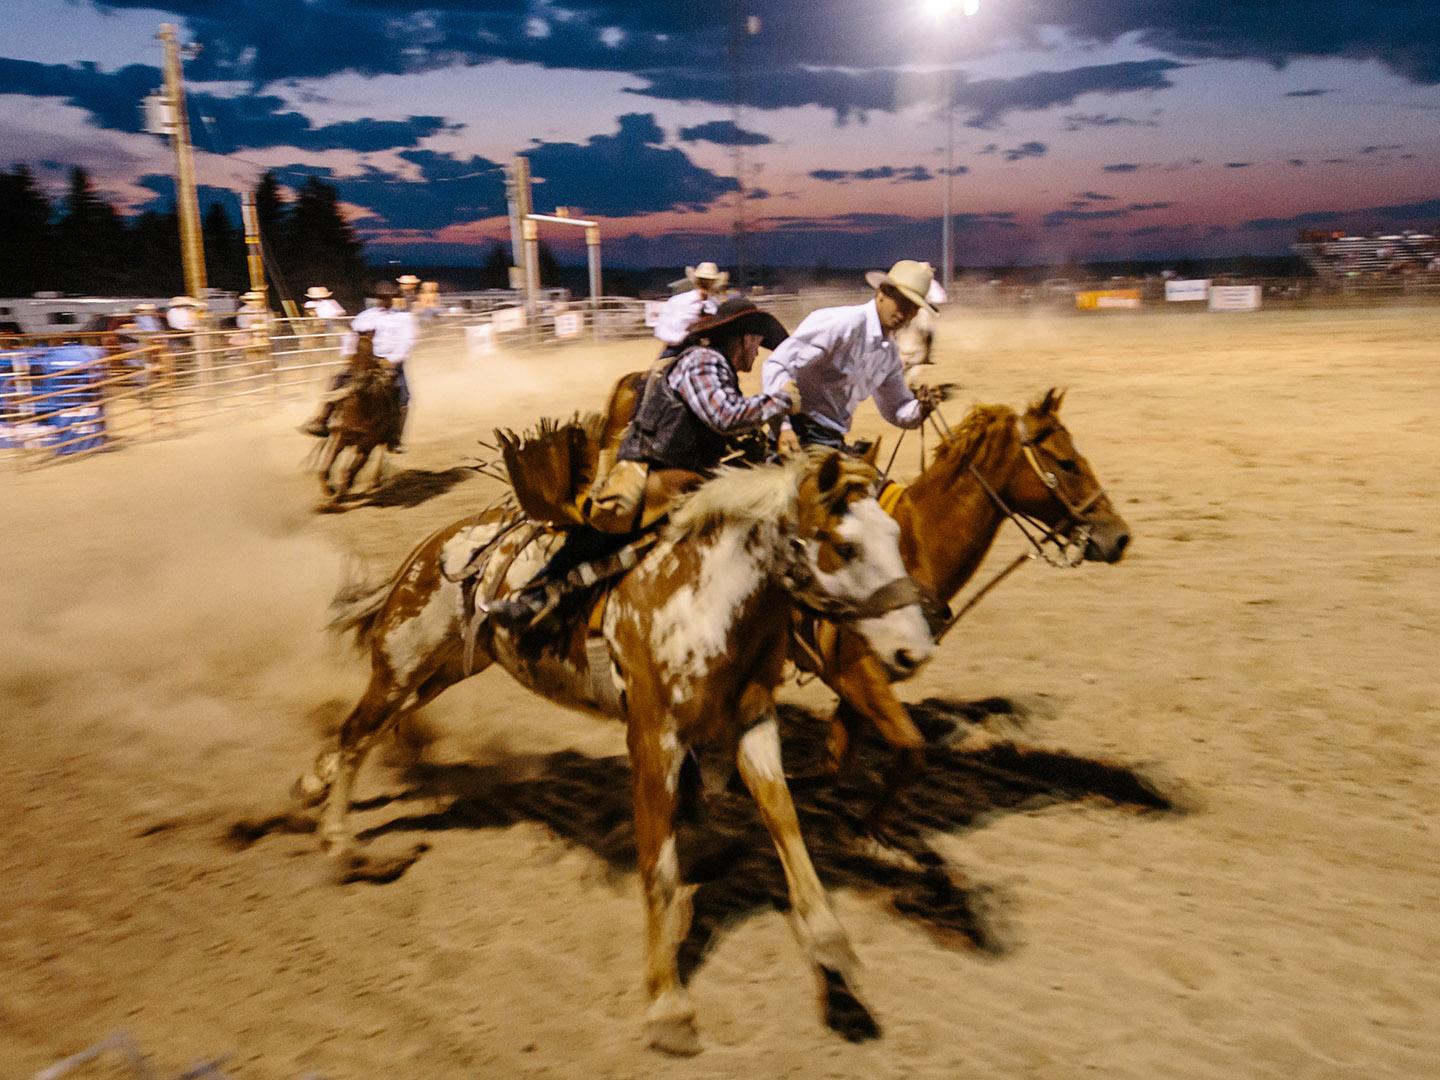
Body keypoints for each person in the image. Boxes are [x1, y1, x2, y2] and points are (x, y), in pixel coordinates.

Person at [488, 296, 798, 627]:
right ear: (744, 337)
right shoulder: (703, 362)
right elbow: (723, 416)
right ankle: (536, 594)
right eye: (757, 342)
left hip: (679, 468)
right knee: (613, 518)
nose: (757, 351)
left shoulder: (709, 363)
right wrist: (780, 401)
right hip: (657, 468)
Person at [761, 259, 942, 451]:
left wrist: (920, 409)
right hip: (799, 433)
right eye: (902, 301)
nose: (905, 313)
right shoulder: (840, 325)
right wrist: (783, 427)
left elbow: (898, 408)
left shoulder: (889, 355)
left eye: (913, 308)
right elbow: (777, 365)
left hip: (830, 440)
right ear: (882, 292)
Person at [300, 281, 416, 451]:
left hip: (390, 363)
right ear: (377, 298)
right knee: (338, 380)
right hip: (364, 359)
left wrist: (392, 359)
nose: (384, 300)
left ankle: (394, 436)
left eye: (387, 297)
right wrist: (348, 355)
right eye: (381, 297)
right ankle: (322, 420)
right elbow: (352, 336)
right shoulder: (367, 316)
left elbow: (407, 342)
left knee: (403, 396)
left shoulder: (403, 318)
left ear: (393, 298)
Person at [651, 261, 727, 355]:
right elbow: (661, 329)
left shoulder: (715, 306)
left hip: (709, 350)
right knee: (661, 366)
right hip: (678, 350)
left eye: (709, 281)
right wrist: (685, 337)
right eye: (703, 280)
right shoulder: (677, 301)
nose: (706, 283)